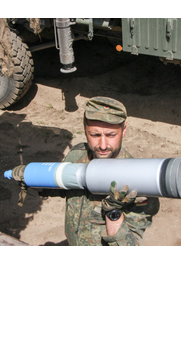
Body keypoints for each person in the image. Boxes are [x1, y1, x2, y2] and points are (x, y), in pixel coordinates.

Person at [61, 96, 159, 246]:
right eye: (95, 135)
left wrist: (113, 213)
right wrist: (29, 177)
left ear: (124, 130)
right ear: (85, 129)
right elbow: (60, 186)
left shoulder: (140, 183)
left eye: (111, 135)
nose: (102, 145)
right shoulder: (76, 156)